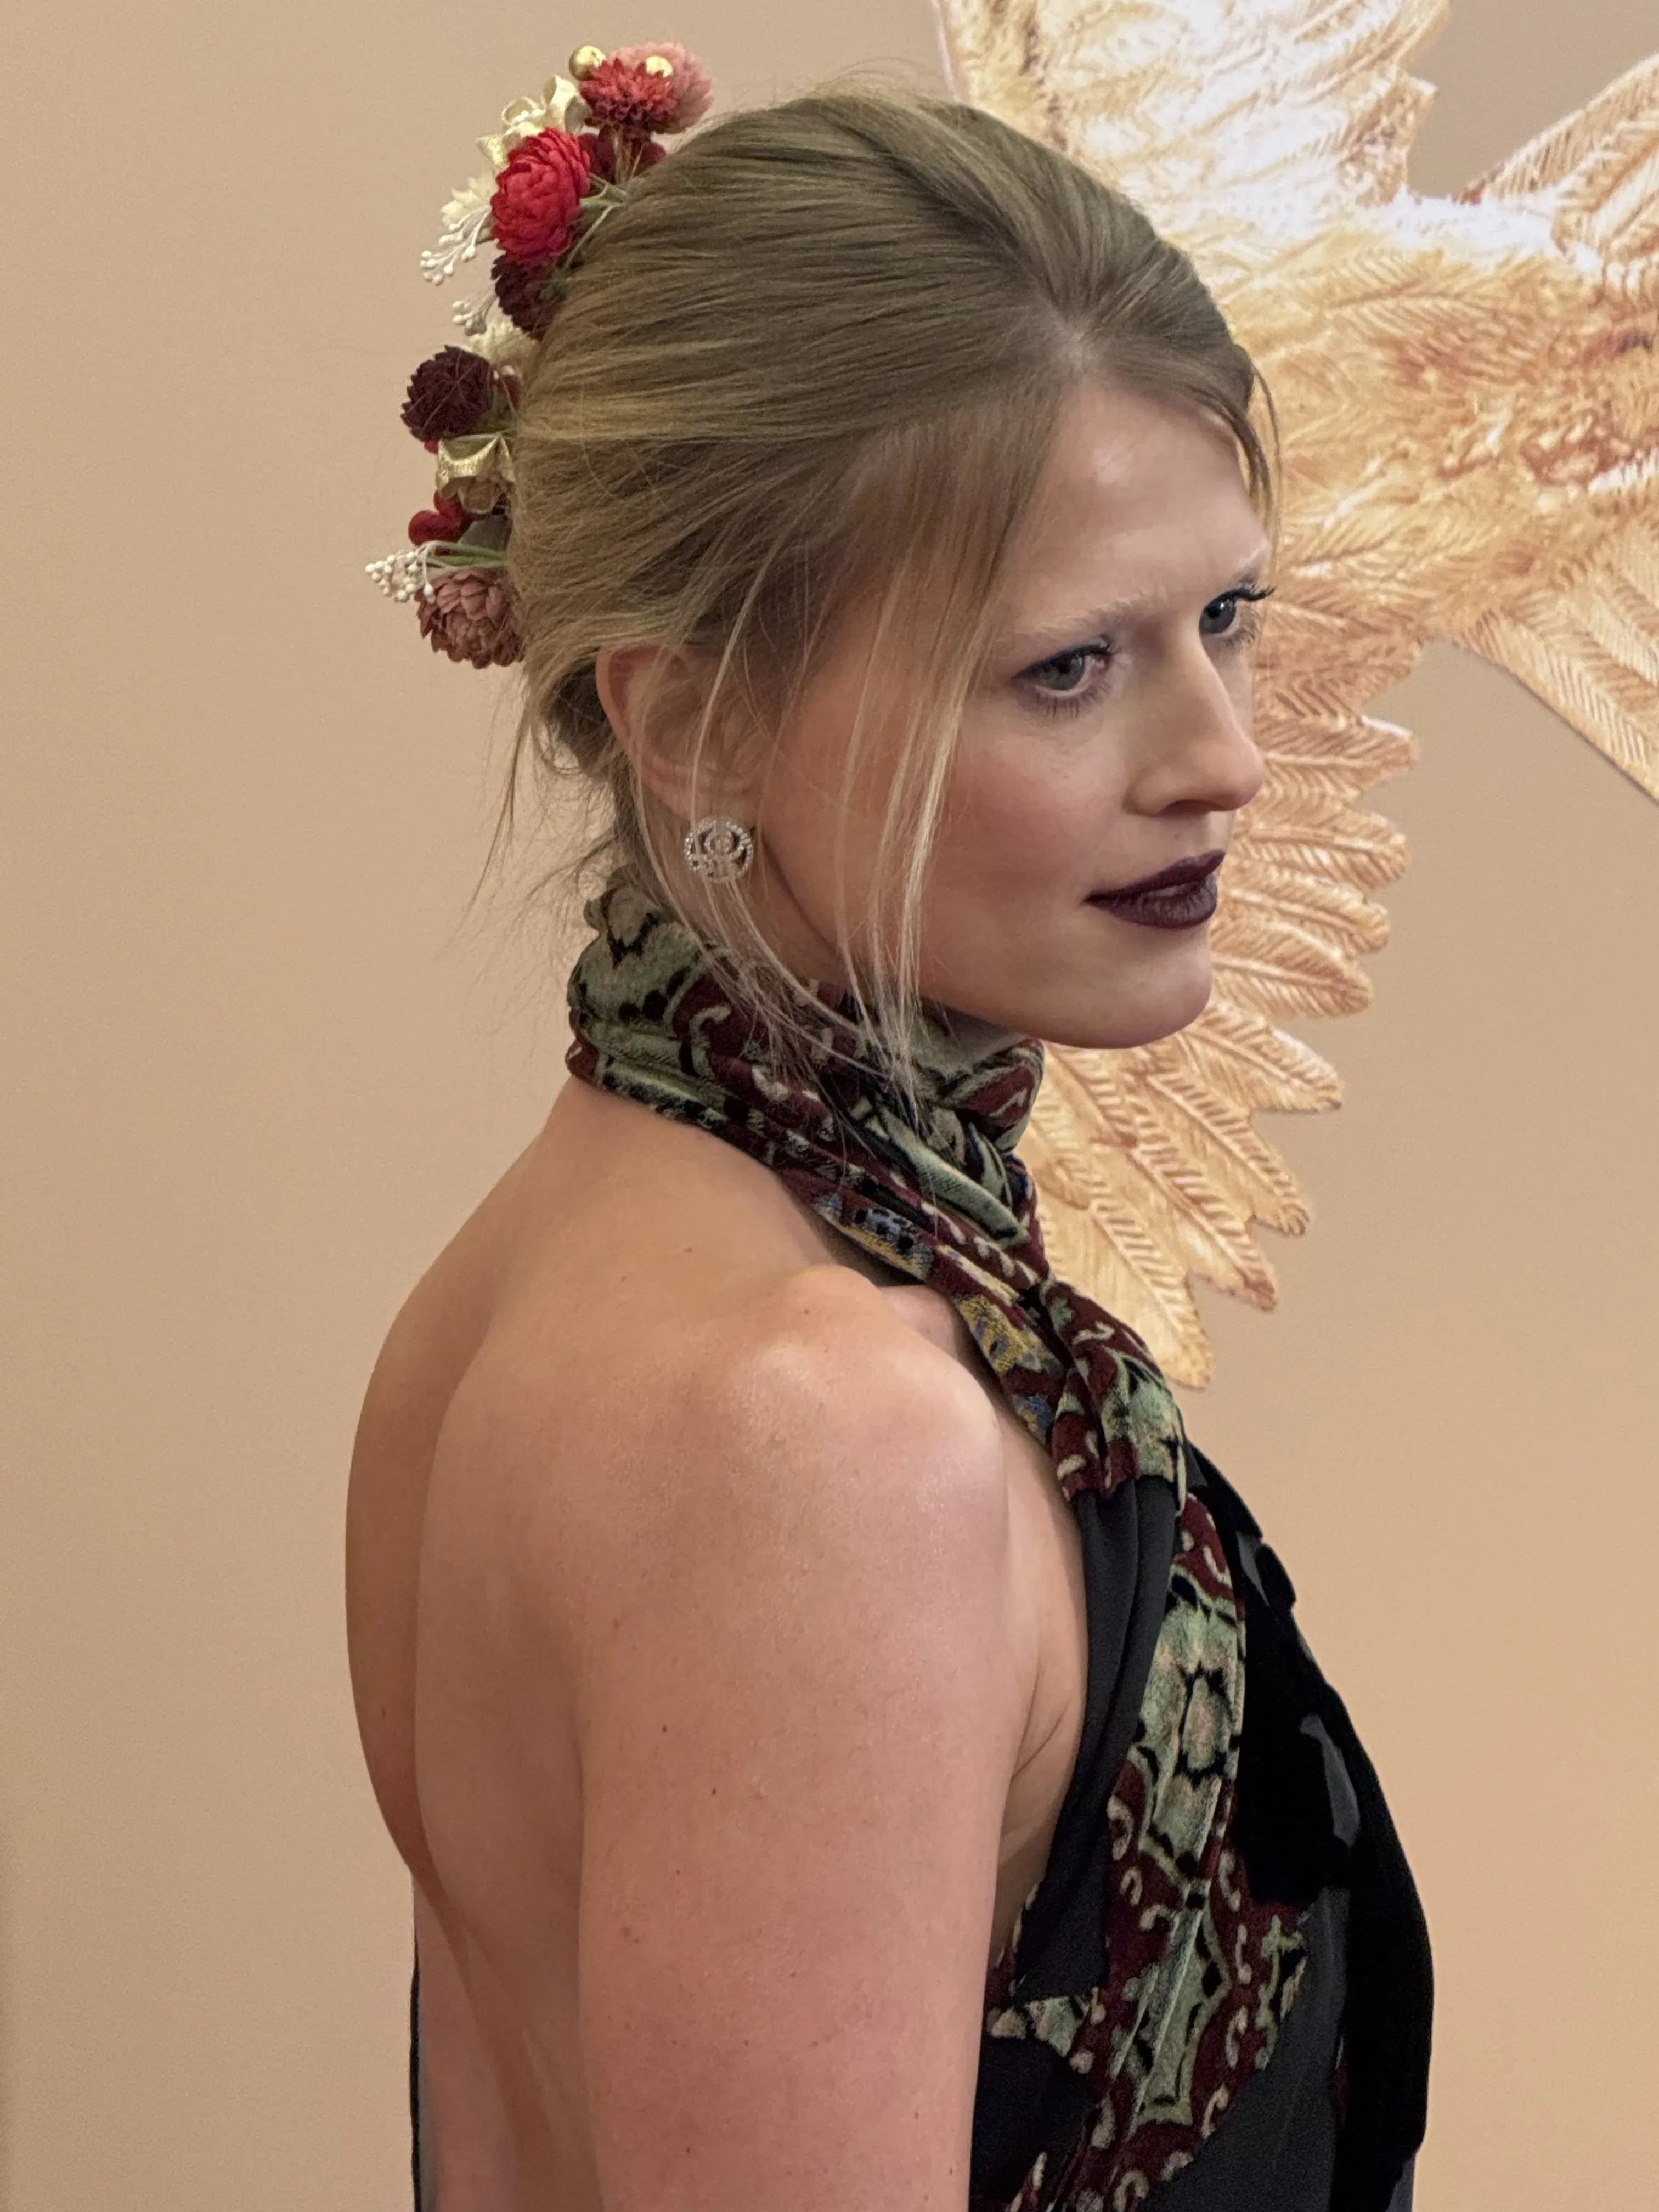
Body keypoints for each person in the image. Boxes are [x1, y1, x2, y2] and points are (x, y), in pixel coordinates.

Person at [347, 59, 1432, 2212]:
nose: (1222, 756)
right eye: (1069, 669)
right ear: (694, 722)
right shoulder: (823, 1446)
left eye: (1225, 619)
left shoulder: (516, 1284)